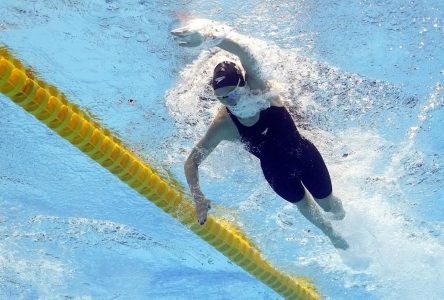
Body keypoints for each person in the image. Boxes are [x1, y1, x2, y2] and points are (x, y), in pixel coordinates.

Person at [171, 19, 348, 250]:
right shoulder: (225, 124)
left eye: (232, 96)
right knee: (304, 206)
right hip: (276, 175)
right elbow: (191, 162)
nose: (228, 103)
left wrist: (206, 37)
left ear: (243, 86)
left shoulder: (260, 88)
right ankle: (331, 235)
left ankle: (345, 220)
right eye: (221, 98)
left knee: (331, 206)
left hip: (305, 157)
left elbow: (243, 51)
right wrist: (198, 197)